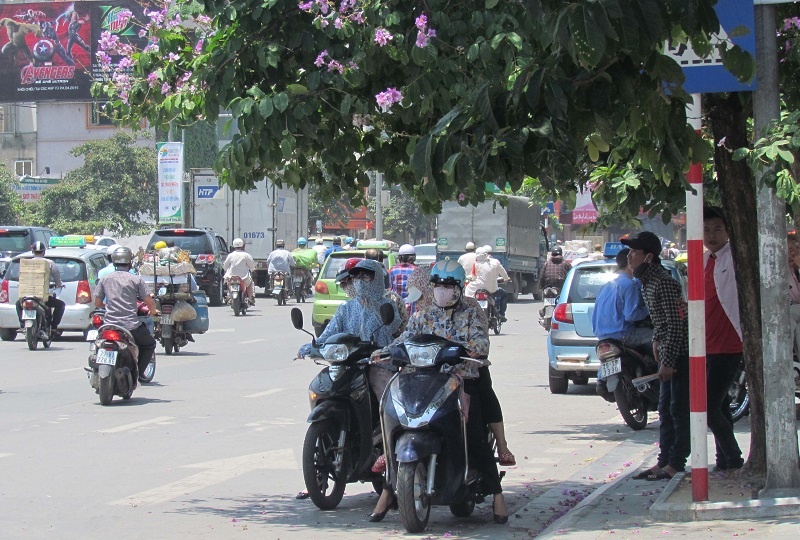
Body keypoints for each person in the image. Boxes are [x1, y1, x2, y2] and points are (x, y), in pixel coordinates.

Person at [368, 260, 510, 524]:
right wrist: (384, 351)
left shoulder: (471, 311)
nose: (442, 291)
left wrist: (467, 351)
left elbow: (481, 341)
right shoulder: (423, 315)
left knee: (474, 433)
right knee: (395, 421)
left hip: (460, 380)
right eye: (438, 286)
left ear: (458, 288)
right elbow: (405, 338)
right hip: (422, 380)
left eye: (448, 286)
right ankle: (389, 490)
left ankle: (497, 493)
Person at [622, 231, 690, 481]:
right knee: (664, 409)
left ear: (648, 257)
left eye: (633, 253)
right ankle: (663, 461)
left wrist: (669, 362)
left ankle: (676, 462)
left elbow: (675, 325)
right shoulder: (646, 282)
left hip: (678, 357)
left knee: (678, 410)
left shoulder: (663, 282)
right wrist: (656, 343)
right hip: (665, 353)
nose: (629, 257)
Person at [702, 207, 744, 472]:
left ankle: (734, 456)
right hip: (706, 344)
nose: (712, 234)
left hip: (729, 344)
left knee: (707, 406)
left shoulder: (733, 258)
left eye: (717, 229)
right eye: (706, 230)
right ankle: (724, 460)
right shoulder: (705, 259)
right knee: (719, 406)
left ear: (727, 231)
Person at [591, 248, 652, 400]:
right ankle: (657, 373)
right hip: (624, 335)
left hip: (603, 337)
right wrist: (649, 310)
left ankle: (601, 378)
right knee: (659, 338)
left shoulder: (607, 285)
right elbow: (631, 315)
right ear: (630, 263)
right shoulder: (629, 285)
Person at [94, 247, 159, 382]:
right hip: (130, 326)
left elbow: (98, 302)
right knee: (149, 344)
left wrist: (108, 306)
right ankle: (139, 374)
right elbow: (149, 301)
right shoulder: (136, 280)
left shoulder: (104, 279)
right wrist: (153, 311)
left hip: (109, 325)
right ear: (130, 263)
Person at [15, 241, 65, 337]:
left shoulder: (26, 264)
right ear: (43, 252)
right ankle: (54, 327)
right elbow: (57, 280)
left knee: (18, 304)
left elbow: (21, 277)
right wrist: (59, 285)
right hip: (42, 296)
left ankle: (22, 325)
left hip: (26, 295)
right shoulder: (50, 263)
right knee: (61, 305)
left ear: (33, 251)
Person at [465, 246, 511, 321]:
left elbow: (474, 277)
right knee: (504, 295)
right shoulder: (495, 262)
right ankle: (502, 314)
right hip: (492, 289)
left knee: (468, 291)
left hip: (479, 288)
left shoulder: (476, 264)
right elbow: (504, 274)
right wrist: (506, 279)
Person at [223, 238, 257, 305]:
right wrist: (253, 269)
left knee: (228, 283)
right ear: (243, 246)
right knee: (250, 284)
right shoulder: (246, 255)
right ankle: (250, 298)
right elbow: (252, 266)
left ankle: (229, 296)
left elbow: (225, 267)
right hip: (244, 278)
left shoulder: (230, 255)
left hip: (231, 277)